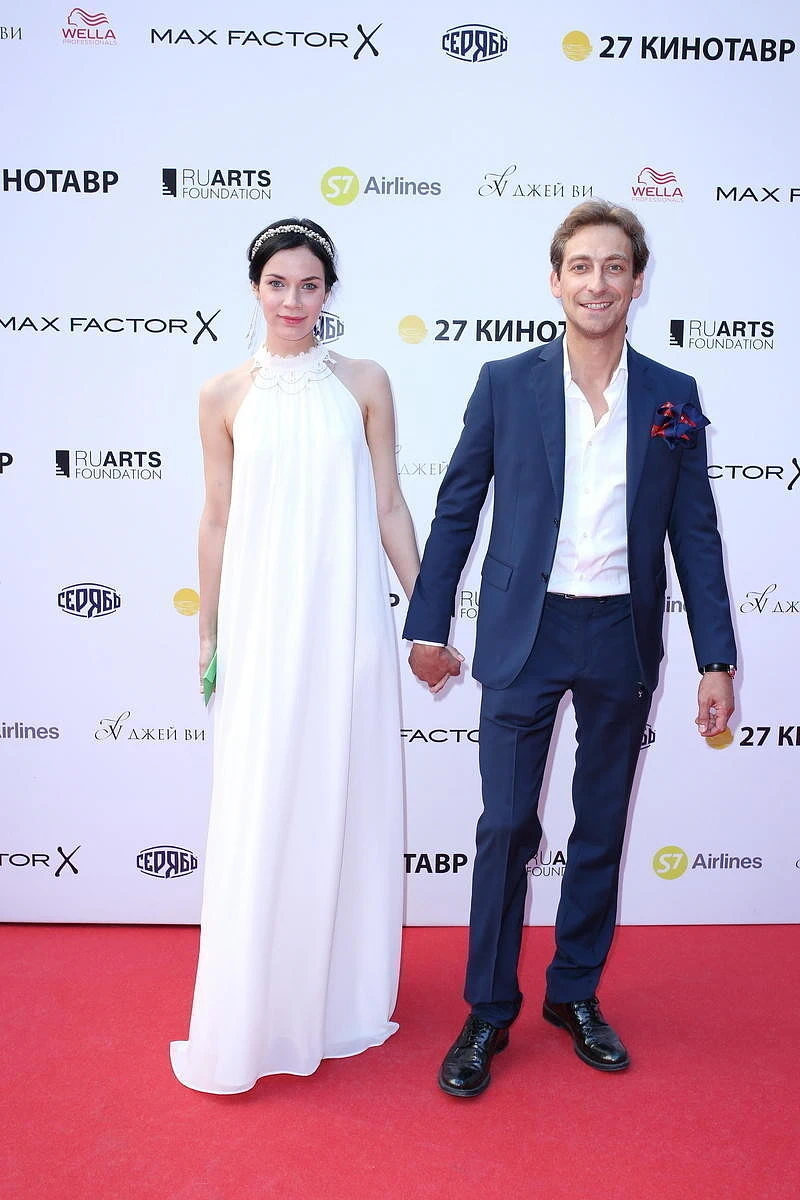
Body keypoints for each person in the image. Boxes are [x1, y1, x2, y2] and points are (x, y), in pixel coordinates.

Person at [404, 200, 736, 1097]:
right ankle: (487, 1009)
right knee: (506, 826)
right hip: (527, 630)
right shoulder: (505, 383)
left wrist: (716, 659)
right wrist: (428, 626)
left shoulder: (672, 395)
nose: (598, 283)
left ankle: (575, 993)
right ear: (555, 281)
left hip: (621, 632)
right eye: (581, 267)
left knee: (600, 826)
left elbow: (694, 533)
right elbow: (457, 509)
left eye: (614, 267)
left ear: (637, 281)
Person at [171, 218, 420, 1093]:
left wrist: (426, 609)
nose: (292, 300)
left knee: (343, 791)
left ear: (328, 293)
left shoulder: (365, 382)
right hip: (262, 628)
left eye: (308, 285)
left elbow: (389, 505)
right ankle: (254, 1001)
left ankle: (337, 994)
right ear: (255, 288)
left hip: (347, 622)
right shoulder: (222, 394)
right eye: (277, 283)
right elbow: (216, 517)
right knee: (263, 794)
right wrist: (210, 630)